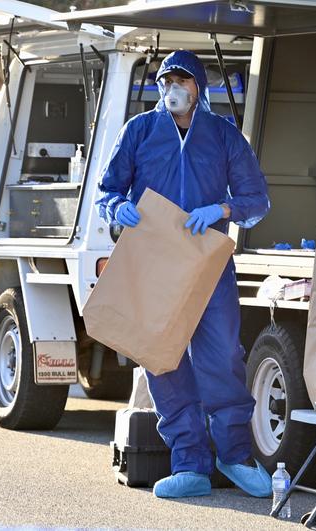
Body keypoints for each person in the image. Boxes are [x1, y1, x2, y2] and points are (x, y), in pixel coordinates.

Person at [96, 50, 271, 499]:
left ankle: (234, 457)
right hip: (152, 263)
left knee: (222, 359)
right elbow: (108, 190)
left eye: (182, 80)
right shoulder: (139, 132)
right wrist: (119, 209)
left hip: (206, 265)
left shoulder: (224, 136)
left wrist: (222, 209)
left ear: (198, 87)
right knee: (162, 359)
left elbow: (256, 199)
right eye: (166, 79)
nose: (173, 87)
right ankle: (189, 464)